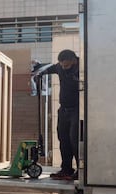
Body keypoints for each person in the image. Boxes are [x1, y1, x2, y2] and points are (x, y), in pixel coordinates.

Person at [37, 49, 79, 180]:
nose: (64, 68)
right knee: (63, 139)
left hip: (77, 110)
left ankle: (81, 170)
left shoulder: (82, 67)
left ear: (73, 60)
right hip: (64, 110)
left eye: (66, 65)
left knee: (75, 140)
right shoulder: (59, 67)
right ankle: (66, 169)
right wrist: (40, 74)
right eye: (61, 65)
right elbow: (50, 69)